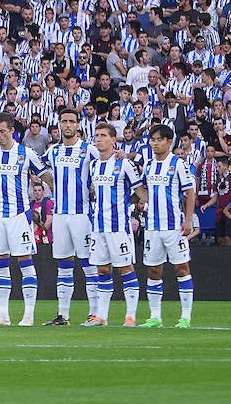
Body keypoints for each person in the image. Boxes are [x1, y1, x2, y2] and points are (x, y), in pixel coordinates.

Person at [0, 112, 46, 327]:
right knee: (0, 264)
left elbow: (46, 177)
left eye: (2, 131)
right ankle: (3, 315)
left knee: (25, 262)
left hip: (19, 216)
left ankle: (28, 315)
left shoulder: (26, 153)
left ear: (12, 131)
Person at [40, 108, 101, 326]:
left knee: (88, 264)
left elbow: (108, 161)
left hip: (81, 215)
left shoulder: (88, 150)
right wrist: (51, 182)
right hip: (60, 216)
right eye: (64, 121)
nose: (67, 125)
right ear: (59, 124)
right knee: (63, 264)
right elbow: (38, 168)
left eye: (71, 122)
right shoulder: (53, 152)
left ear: (78, 125)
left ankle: (95, 312)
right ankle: (62, 314)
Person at [85, 122, 144, 328]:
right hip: (98, 227)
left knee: (125, 269)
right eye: (97, 135)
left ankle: (130, 316)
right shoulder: (93, 165)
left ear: (113, 139)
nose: (99, 139)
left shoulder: (123, 163)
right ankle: (102, 316)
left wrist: (136, 205)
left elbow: (140, 191)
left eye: (103, 135)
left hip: (119, 227)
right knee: (102, 269)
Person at [138, 124, 196, 328]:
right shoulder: (149, 165)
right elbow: (143, 190)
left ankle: (186, 317)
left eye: (159, 139)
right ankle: (155, 317)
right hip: (152, 227)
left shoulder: (178, 164)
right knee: (153, 271)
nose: (155, 143)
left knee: (181, 268)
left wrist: (188, 219)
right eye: (152, 140)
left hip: (174, 226)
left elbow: (189, 193)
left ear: (169, 142)